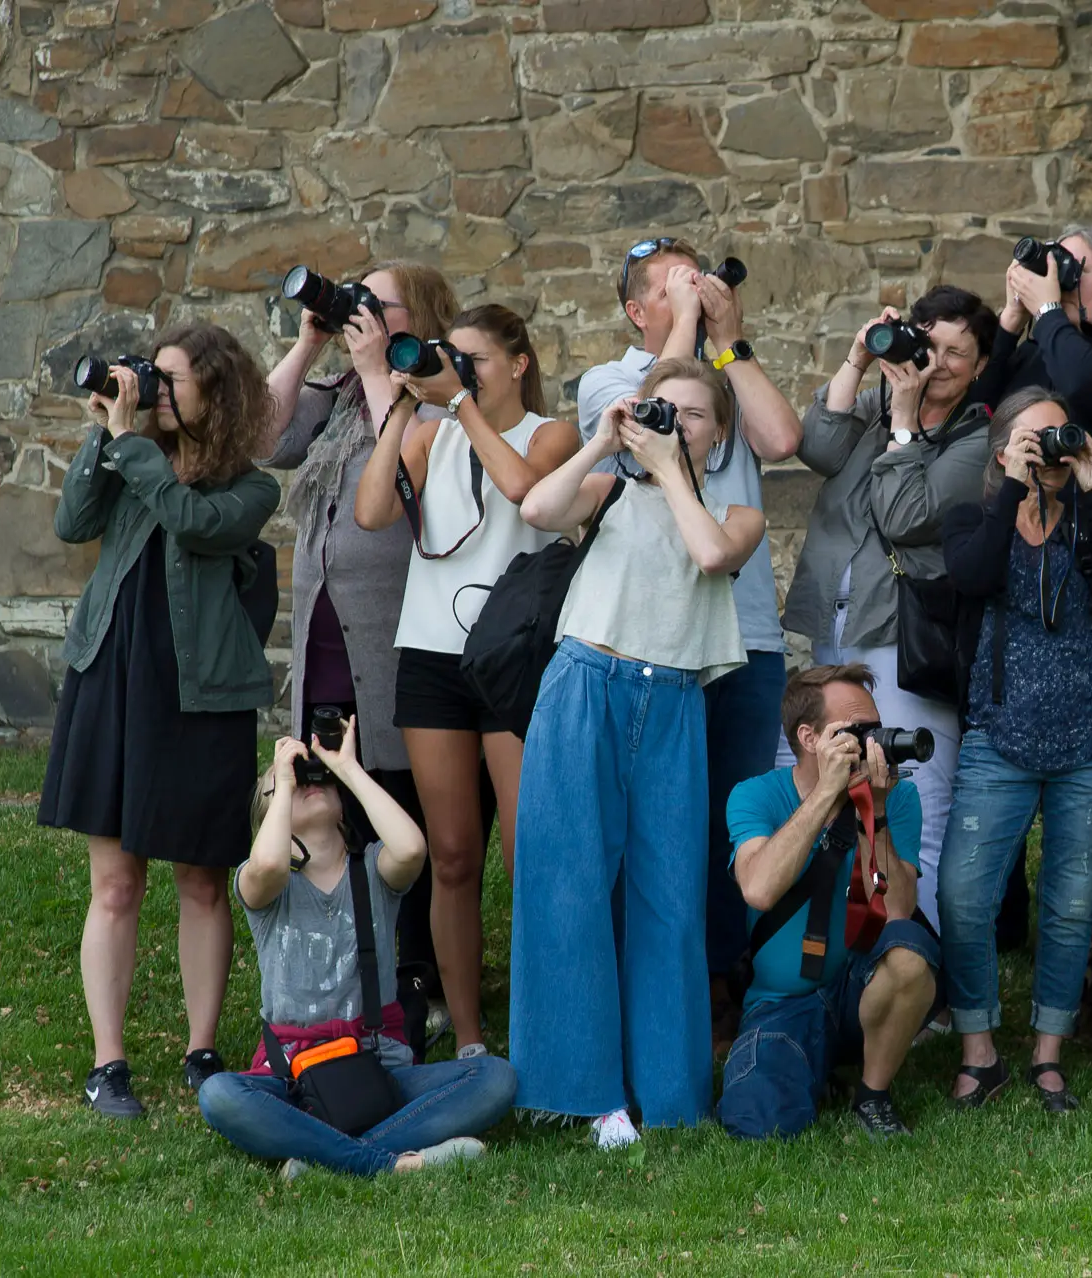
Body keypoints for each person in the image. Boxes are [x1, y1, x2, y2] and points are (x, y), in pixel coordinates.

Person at [512, 358, 760, 1147]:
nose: (676, 423)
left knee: (669, 900)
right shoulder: (608, 490)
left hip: (676, 703)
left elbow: (712, 556)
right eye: (664, 409)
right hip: (587, 682)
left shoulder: (734, 509)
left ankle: (672, 1095)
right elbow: (535, 508)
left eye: (693, 414)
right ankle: (583, 1095)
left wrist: (671, 469)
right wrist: (598, 444)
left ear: (718, 434)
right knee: (569, 886)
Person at [40, 322, 281, 1117]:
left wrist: (129, 446)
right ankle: (108, 1064)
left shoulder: (249, 487)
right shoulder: (127, 450)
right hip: (111, 676)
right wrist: (101, 435)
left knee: (202, 880)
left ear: (219, 391)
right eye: (156, 377)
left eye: (172, 380)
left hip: (199, 692)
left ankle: (201, 1049)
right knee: (114, 883)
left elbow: (192, 521)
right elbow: (74, 523)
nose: (157, 392)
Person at [578, 237, 802, 1043]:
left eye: (697, 281)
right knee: (647, 818)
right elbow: (646, 414)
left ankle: (721, 988)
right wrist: (681, 334)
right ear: (636, 311)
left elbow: (781, 442)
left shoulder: (725, 380)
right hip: (648, 640)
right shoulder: (608, 383)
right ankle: (641, 986)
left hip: (741, 634)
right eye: (670, 289)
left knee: (728, 818)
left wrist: (728, 339)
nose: (693, 294)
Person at [352, 304, 581, 1058]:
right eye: (456, 358)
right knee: (451, 855)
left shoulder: (550, 432)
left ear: (518, 364)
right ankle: (473, 1040)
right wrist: (402, 411)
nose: (464, 371)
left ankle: (545, 1028)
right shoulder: (429, 434)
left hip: (514, 657)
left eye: (477, 359)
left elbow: (522, 490)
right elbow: (371, 510)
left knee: (526, 854)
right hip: (430, 656)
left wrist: (460, 405)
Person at [934, 388, 1092, 1112]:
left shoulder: (1089, 519)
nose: (1051, 448)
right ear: (1002, 451)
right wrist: (1013, 493)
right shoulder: (973, 516)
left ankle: (1050, 1052)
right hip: (1000, 736)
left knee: (1071, 901)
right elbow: (973, 574)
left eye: (1060, 435)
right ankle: (979, 1050)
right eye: (1035, 438)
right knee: (964, 896)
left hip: (1090, 738)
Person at [262, 260, 460, 1017]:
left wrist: (380, 364)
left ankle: (420, 974)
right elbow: (264, 438)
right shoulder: (338, 393)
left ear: (424, 314)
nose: (362, 311)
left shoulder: (437, 391)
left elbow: (405, 462)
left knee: (399, 795)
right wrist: (311, 343)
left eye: (381, 303)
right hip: (325, 626)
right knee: (337, 790)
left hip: (395, 627)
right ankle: (352, 956)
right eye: (359, 299)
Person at [197, 727, 518, 1176]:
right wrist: (286, 784)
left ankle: (327, 1156)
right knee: (218, 1095)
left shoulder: (372, 871)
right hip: (291, 1076)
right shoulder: (265, 884)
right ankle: (388, 1162)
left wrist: (347, 768)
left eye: (315, 777)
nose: (306, 780)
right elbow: (270, 861)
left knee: (494, 1078)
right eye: (287, 780)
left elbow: (411, 848)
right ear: (271, 814)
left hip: (379, 1070)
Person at [781, 286, 997, 926]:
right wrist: (854, 362)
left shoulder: (976, 440)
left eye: (959, 353)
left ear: (981, 366)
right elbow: (816, 448)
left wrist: (904, 424)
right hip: (833, 630)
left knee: (914, 811)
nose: (939, 362)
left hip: (901, 641)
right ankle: (833, 963)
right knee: (823, 797)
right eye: (930, 343)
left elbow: (907, 516)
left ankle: (917, 971)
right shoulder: (874, 404)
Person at [719, 665, 940, 1140]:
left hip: (862, 986)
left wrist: (873, 811)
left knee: (909, 952)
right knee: (757, 1122)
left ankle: (873, 1093)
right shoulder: (754, 796)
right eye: (857, 733)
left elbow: (899, 912)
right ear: (809, 737)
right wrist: (826, 794)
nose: (872, 744)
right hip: (784, 1001)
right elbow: (758, 888)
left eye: (874, 729)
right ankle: (813, 1068)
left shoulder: (897, 798)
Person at [991, 224, 1092, 447]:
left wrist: (1047, 310)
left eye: (1074, 269)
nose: (1059, 283)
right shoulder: (1041, 349)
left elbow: (1085, 386)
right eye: (1056, 270)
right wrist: (1011, 321)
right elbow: (981, 406)